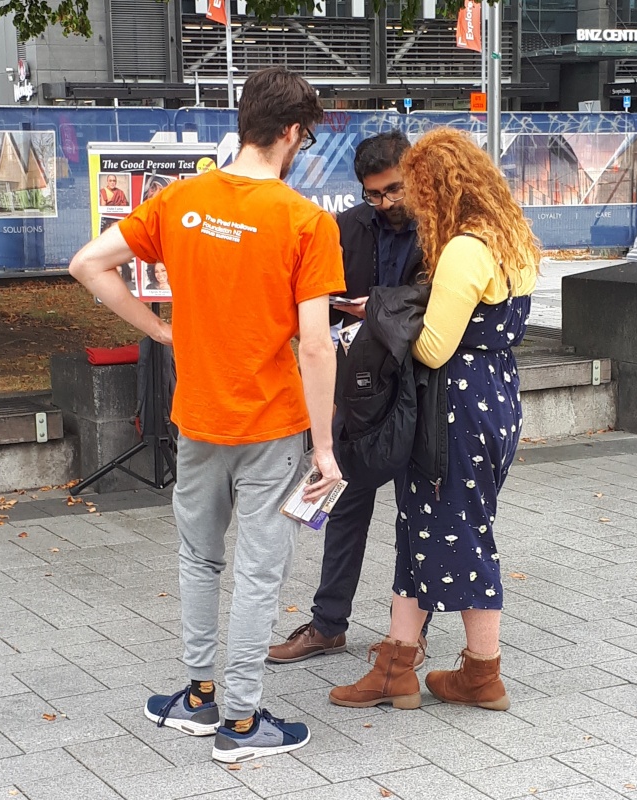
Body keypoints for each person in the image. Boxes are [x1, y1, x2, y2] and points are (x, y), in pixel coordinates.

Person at [69, 66, 345, 763]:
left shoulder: (181, 200)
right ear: (292, 132)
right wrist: (325, 447)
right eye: (305, 138)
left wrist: (159, 331)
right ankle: (242, 724)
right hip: (273, 428)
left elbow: (87, 264)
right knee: (257, 572)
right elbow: (316, 346)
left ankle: (198, 697)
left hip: (196, 418)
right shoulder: (306, 222)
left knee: (199, 558)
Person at [328, 127, 540, 711]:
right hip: (494, 397)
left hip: (453, 408)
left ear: (441, 188)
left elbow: (433, 347)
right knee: (425, 526)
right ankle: (398, 666)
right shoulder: (509, 237)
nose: (412, 204)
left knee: (461, 532)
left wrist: (382, 320)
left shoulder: (464, 249)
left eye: (417, 190)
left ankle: (481, 673)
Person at [268, 130, 430, 669]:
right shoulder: (346, 227)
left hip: (420, 384)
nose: (384, 203)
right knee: (342, 507)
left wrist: (376, 306)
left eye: (393, 190)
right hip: (357, 386)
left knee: (417, 515)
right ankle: (328, 624)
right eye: (373, 194)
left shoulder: (440, 225)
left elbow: (439, 299)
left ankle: (410, 633)